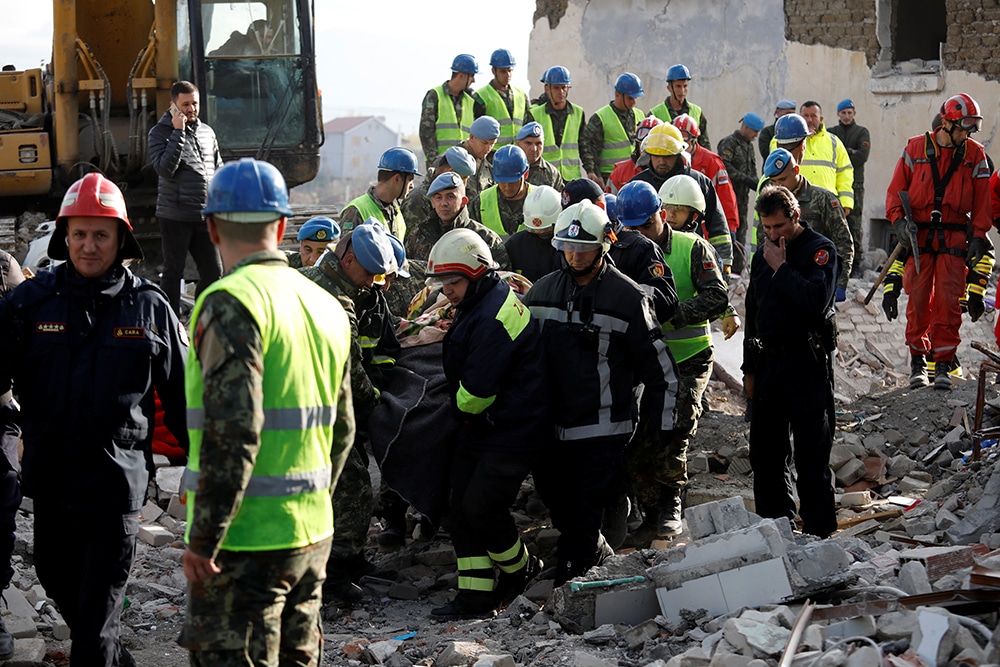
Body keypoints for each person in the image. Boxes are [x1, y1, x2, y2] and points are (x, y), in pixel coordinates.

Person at [0, 173, 188, 667]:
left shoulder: (150, 308)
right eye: (79, 234)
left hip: (116, 487)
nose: (88, 245)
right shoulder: (30, 303)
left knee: (98, 616)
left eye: (100, 235)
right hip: (53, 480)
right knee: (58, 579)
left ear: (121, 239)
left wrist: (202, 468)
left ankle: (100, 653)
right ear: (65, 237)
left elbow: (187, 398)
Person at [180, 158, 354, 665]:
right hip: (312, 532)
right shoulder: (324, 305)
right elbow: (343, 431)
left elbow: (233, 435)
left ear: (211, 228)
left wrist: (204, 539)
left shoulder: (229, 302)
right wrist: (316, 503)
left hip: (244, 543)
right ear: (281, 226)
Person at [523, 200, 679, 585]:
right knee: (556, 499)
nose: (574, 256)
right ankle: (597, 556)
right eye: (568, 248)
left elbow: (662, 373)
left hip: (603, 429)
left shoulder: (627, 298)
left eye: (583, 248)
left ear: (604, 245)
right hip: (551, 428)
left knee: (582, 510)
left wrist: (660, 435)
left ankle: (576, 586)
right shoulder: (541, 294)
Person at [426, 229, 549, 619]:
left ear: (477, 274)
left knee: (481, 506)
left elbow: (475, 393)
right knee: (459, 508)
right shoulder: (482, 300)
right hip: (485, 427)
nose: (447, 291)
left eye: (454, 281)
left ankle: (522, 568)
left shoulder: (495, 315)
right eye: (443, 282)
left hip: (512, 431)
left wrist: (446, 417)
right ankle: (475, 597)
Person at [616, 178, 729, 542]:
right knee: (639, 443)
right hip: (646, 363)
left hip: (688, 357)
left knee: (674, 430)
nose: (641, 237)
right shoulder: (622, 251)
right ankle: (651, 514)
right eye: (632, 230)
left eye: (647, 227)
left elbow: (717, 296)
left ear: (662, 216)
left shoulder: (691, 248)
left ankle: (671, 508)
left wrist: (672, 315)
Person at [299, 223, 399, 603]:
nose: (373, 283)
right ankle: (335, 574)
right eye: (369, 273)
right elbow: (351, 373)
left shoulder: (302, 278)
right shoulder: (338, 304)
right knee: (352, 487)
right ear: (349, 259)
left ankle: (349, 560)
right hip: (320, 408)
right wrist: (374, 400)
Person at [743, 184, 838, 538]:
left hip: (805, 363)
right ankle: (776, 531)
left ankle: (820, 534)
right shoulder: (761, 256)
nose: (772, 234)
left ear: (795, 217)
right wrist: (748, 369)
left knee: (812, 457)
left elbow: (816, 301)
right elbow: (754, 314)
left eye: (779, 227)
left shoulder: (819, 251)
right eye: (766, 228)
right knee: (765, 457)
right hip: (768, 364)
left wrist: (782, 268)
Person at [886, 93, 992, 389]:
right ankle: (918, 362)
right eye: (963, 128)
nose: (967, 134)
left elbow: (983, 202)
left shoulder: (975, 154)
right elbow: (896, 191)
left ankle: (943, 363)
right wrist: (897, 222)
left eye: (971, 129)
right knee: (918, 301)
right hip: (917, 234)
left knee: (948, 301)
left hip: (955, 234)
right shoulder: (915, 148)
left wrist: (980, 237)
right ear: (945, 123)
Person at [148, 80, 224, 315]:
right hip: (175, 215)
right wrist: (178, 132)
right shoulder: (159, 133)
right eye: (185, 104)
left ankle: (199, 317)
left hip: (205, 215)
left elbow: (218, 166)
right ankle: (170, 322)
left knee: (214, 272)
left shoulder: (206, 132)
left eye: (195, 103)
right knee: (174, 272)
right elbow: (164, 169)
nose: (191, 109)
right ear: (173, 105)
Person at [630, 123, 734, 272]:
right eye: (656, 155)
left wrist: (725, 261)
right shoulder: (638, 185)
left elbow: (717, 224)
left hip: (693, 259)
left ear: (679, 154)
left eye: (667, 156)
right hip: (647, 261)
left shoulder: (699, 182)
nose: (661, 161)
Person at [760, 149, 853, 297]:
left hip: (815, 279)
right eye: (774, 181)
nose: (779, 185)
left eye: (783, 179)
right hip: (780, 281)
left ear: (796, 170)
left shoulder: (823, 199)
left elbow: (843, 242)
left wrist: (840, 283)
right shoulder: (769, 202)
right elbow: (765, 242)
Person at [405, 171, 511, 270]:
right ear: (433, 202)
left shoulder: (486, 239)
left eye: (450, 197)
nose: (444, 203)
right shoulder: (419, 237)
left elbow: (503, 280)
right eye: (438, 198)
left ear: (463, 201)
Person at [770, 102, 854, 214]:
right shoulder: (783, 139)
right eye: (805, 116)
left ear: (821, 118)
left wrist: (845, 203)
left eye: (813, 116)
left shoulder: (834, 142)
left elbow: (845, 173)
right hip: (795, 202)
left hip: (827, 204)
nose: (809, 120)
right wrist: (802, 137)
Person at [673, 114, 740, 241]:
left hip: (705, 230)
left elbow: (726, 195)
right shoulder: (670, 161)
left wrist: (730, 227)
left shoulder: (711, 162)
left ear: (694, 140)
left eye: (684, 141)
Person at [717, 112, 765, 274]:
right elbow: (725, 168)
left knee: (741, 232)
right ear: (745, 127)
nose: (756, 136)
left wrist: (759, 185)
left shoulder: (748, 146)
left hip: (742, 200)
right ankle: (723, 270)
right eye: (754, 132)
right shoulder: (728, 144)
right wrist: (746, 179)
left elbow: (752, 173)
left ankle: (736, 272)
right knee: (726, 233)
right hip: (728, 199)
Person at [581, 73, 646, 190]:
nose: (634, 102)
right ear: (618, 95)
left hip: (635, 175)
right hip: (609, 178)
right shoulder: (601, 118)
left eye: (635, 97)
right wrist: (593, 172)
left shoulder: (640, 115)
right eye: (630, 98)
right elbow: (588, 147)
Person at [828, 98, 871, 276]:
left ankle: (855, 264)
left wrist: (843, 154)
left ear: (854, 114)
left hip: (855, 185)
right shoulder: (832, 133)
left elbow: (862, 156)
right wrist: (849, 151)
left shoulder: (862, 132)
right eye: (843, 112)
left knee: (853, 223)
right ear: (838, 114)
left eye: (849, 113)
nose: (846, 116)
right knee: (832, 225)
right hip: (834, 184)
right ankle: (834, 260)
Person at [339, 147, 421, 238]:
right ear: (396, 178)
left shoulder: (396, 211)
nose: (412, 186)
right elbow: (345, 250)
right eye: (410, 180)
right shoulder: (355, 210)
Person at [526, 66, 586, 182]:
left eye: (564, 87)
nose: (561, 92)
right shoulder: (534, 114)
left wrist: (591, 170)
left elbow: (584, 146)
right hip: (543, 176)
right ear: (547, 88)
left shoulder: (578, 113)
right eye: (556, 88)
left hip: (571, 177)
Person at [419, 54, 478, 172]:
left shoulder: (470, 100)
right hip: (441, 164)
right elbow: (426, 132)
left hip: (464, 164)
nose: (474, 80)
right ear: (461, 75)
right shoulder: (434, 95)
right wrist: (435, 163)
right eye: (471, 76)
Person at [400, 145, 477, 234]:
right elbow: (414, 242)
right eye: (464, 178)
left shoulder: (459, 196)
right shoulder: (417, 201)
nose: (465, 184)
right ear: (451, 172)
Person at [469, 145, 532, 237]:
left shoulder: (540, 199)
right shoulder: (481, 202)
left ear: (525, 174)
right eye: (502, 181)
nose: (507, 186)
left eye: (512, 181)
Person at [473, 49, 530, 148]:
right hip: (492, 154)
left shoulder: (521, 95)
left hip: (517, 153)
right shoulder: (481, 96)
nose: (507, 75)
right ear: (493, 71)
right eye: (503, 71)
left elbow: (528, 125)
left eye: (510, 70)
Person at [505, 185, 562, 281]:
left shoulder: (567, 246)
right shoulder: (516, 245)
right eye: (535, 231)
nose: (541, 233)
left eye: (546, 231)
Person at [649, 64, 709, 148]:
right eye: (678, 86)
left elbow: (704, 145)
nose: (682, 91)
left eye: (685, 86)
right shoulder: (655, 114)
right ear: (669, 88)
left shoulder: (697, 112)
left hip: (692, 160)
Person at [606, 116, 662, 194]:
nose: (646, 149)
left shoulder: (673, 170)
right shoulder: (620, 172)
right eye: (643, 143)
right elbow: (609, 202)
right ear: (637, 143)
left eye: (653, 145)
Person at [462, 116, 502, 202]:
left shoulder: (491, 163)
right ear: (472, 137)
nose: (488, 148)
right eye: (484, 143)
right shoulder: (451, 161)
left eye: (492, 144)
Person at [517, 121, 564, 190]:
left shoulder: (552, 173)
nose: (534, 149)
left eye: (538, 144)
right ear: (518, 144)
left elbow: (559, 199)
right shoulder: (508, 166)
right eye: (528, 143)